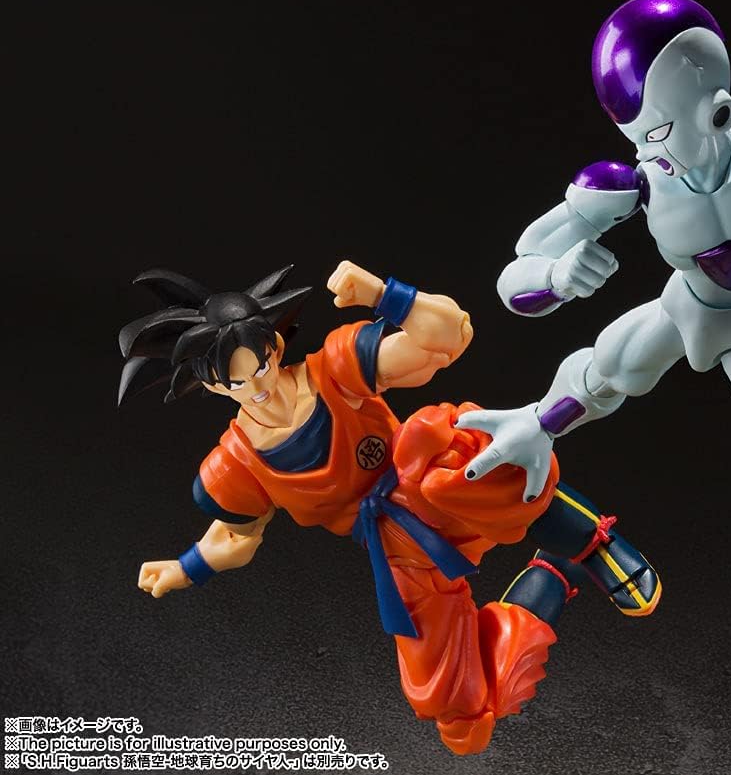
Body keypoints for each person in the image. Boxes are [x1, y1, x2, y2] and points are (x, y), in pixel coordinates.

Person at [118, 260, 660, 755]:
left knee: (440, 439)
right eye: (235, 381)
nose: (256, 387)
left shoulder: (335, 370)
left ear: (275, 347)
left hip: (429, 480)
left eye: (259, 366)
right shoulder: (235, 464)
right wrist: (184, 568)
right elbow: (236, 537)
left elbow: (447, 338)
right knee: (460, 714)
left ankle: (591, 541)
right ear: (212, 386)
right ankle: (554, 573)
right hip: (396, 548)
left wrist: (384, 294)